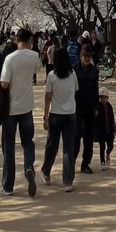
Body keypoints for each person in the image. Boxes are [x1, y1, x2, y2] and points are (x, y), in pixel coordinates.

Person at [0, 26, 40, 196]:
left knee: (8, 145)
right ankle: (29, 167)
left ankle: (8, 186)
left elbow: (4, 84)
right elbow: (36, 71)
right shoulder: (34, 56)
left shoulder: (9, 58)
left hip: (11, 108)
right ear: (30, 40)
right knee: (28, 141)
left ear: (16, 40)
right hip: (26, 106)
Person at [40, 48, 78, 190]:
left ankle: (46, 172)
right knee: (68, 149)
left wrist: (45, 117)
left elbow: (47, 98)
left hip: (55, 114)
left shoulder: (51, 76)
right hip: (70, 114)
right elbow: (75, 91)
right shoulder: (73, 74)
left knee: (52, 146)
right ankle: (68, 181)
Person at [73, 41, 100, 174]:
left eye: (89, 56)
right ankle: (71, 160)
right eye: (85, 55)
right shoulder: (74, 69)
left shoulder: (94, 70)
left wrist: (96, 106)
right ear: (80, 56)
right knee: (76, 134)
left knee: (89, 137)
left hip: (89, 106)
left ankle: (85, 163)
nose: (87, 58)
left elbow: (96, 89)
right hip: (77, 106)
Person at [96, 86, 116, 168]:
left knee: (111, 145)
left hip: (109, 130)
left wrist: (114, 128)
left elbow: (112, 117)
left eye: (105, 98)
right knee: (102, 147)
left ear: (107, 98)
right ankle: (102, 162)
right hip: (100, 130)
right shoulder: (97, 106)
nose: (103, 99)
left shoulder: (109, 106)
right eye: (101, 97)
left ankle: (107, 154)